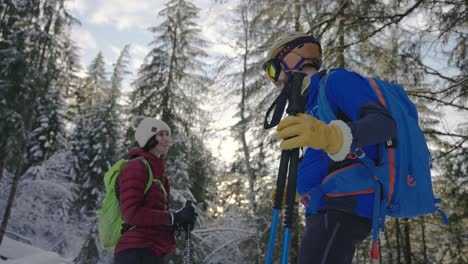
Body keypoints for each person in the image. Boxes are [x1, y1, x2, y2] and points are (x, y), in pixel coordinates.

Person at [263, 32, 397, 264]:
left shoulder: (335, 81)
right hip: (323, 206)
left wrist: (332, 135)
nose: (274, 81)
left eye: (273, 69)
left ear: (294, 58)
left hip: (346, 204)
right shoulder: (311, 105)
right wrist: (293, 192)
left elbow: (384, 124)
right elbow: (323, 160)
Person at [114, 117, 198, 264]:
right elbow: (131, 214)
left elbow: (154, 217)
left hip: (152, 251)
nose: (167, 139)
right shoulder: (136, 167)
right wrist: (172, 218)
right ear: (148, 137)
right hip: (135, 252)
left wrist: (180, 220)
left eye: (168, 134)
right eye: (161, 134)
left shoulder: (160, 177)